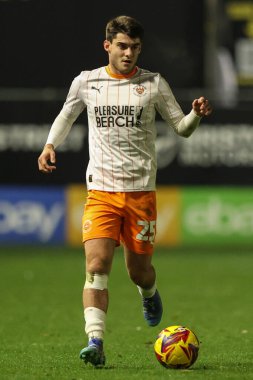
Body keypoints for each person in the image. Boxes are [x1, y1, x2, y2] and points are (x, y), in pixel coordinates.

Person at [38, 15, 212, 368]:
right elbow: (66, 115)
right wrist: (49, 145)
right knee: (97, 265)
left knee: (138, 271)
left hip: (140, 193)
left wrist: (195, 114)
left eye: (134, 47)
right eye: (121, 46)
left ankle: (148, 293)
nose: (128, 53)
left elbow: (181, 128)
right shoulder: (87, 82)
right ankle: (95, 341)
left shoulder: (153, 84)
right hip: (100, 191)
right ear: (107, 46)